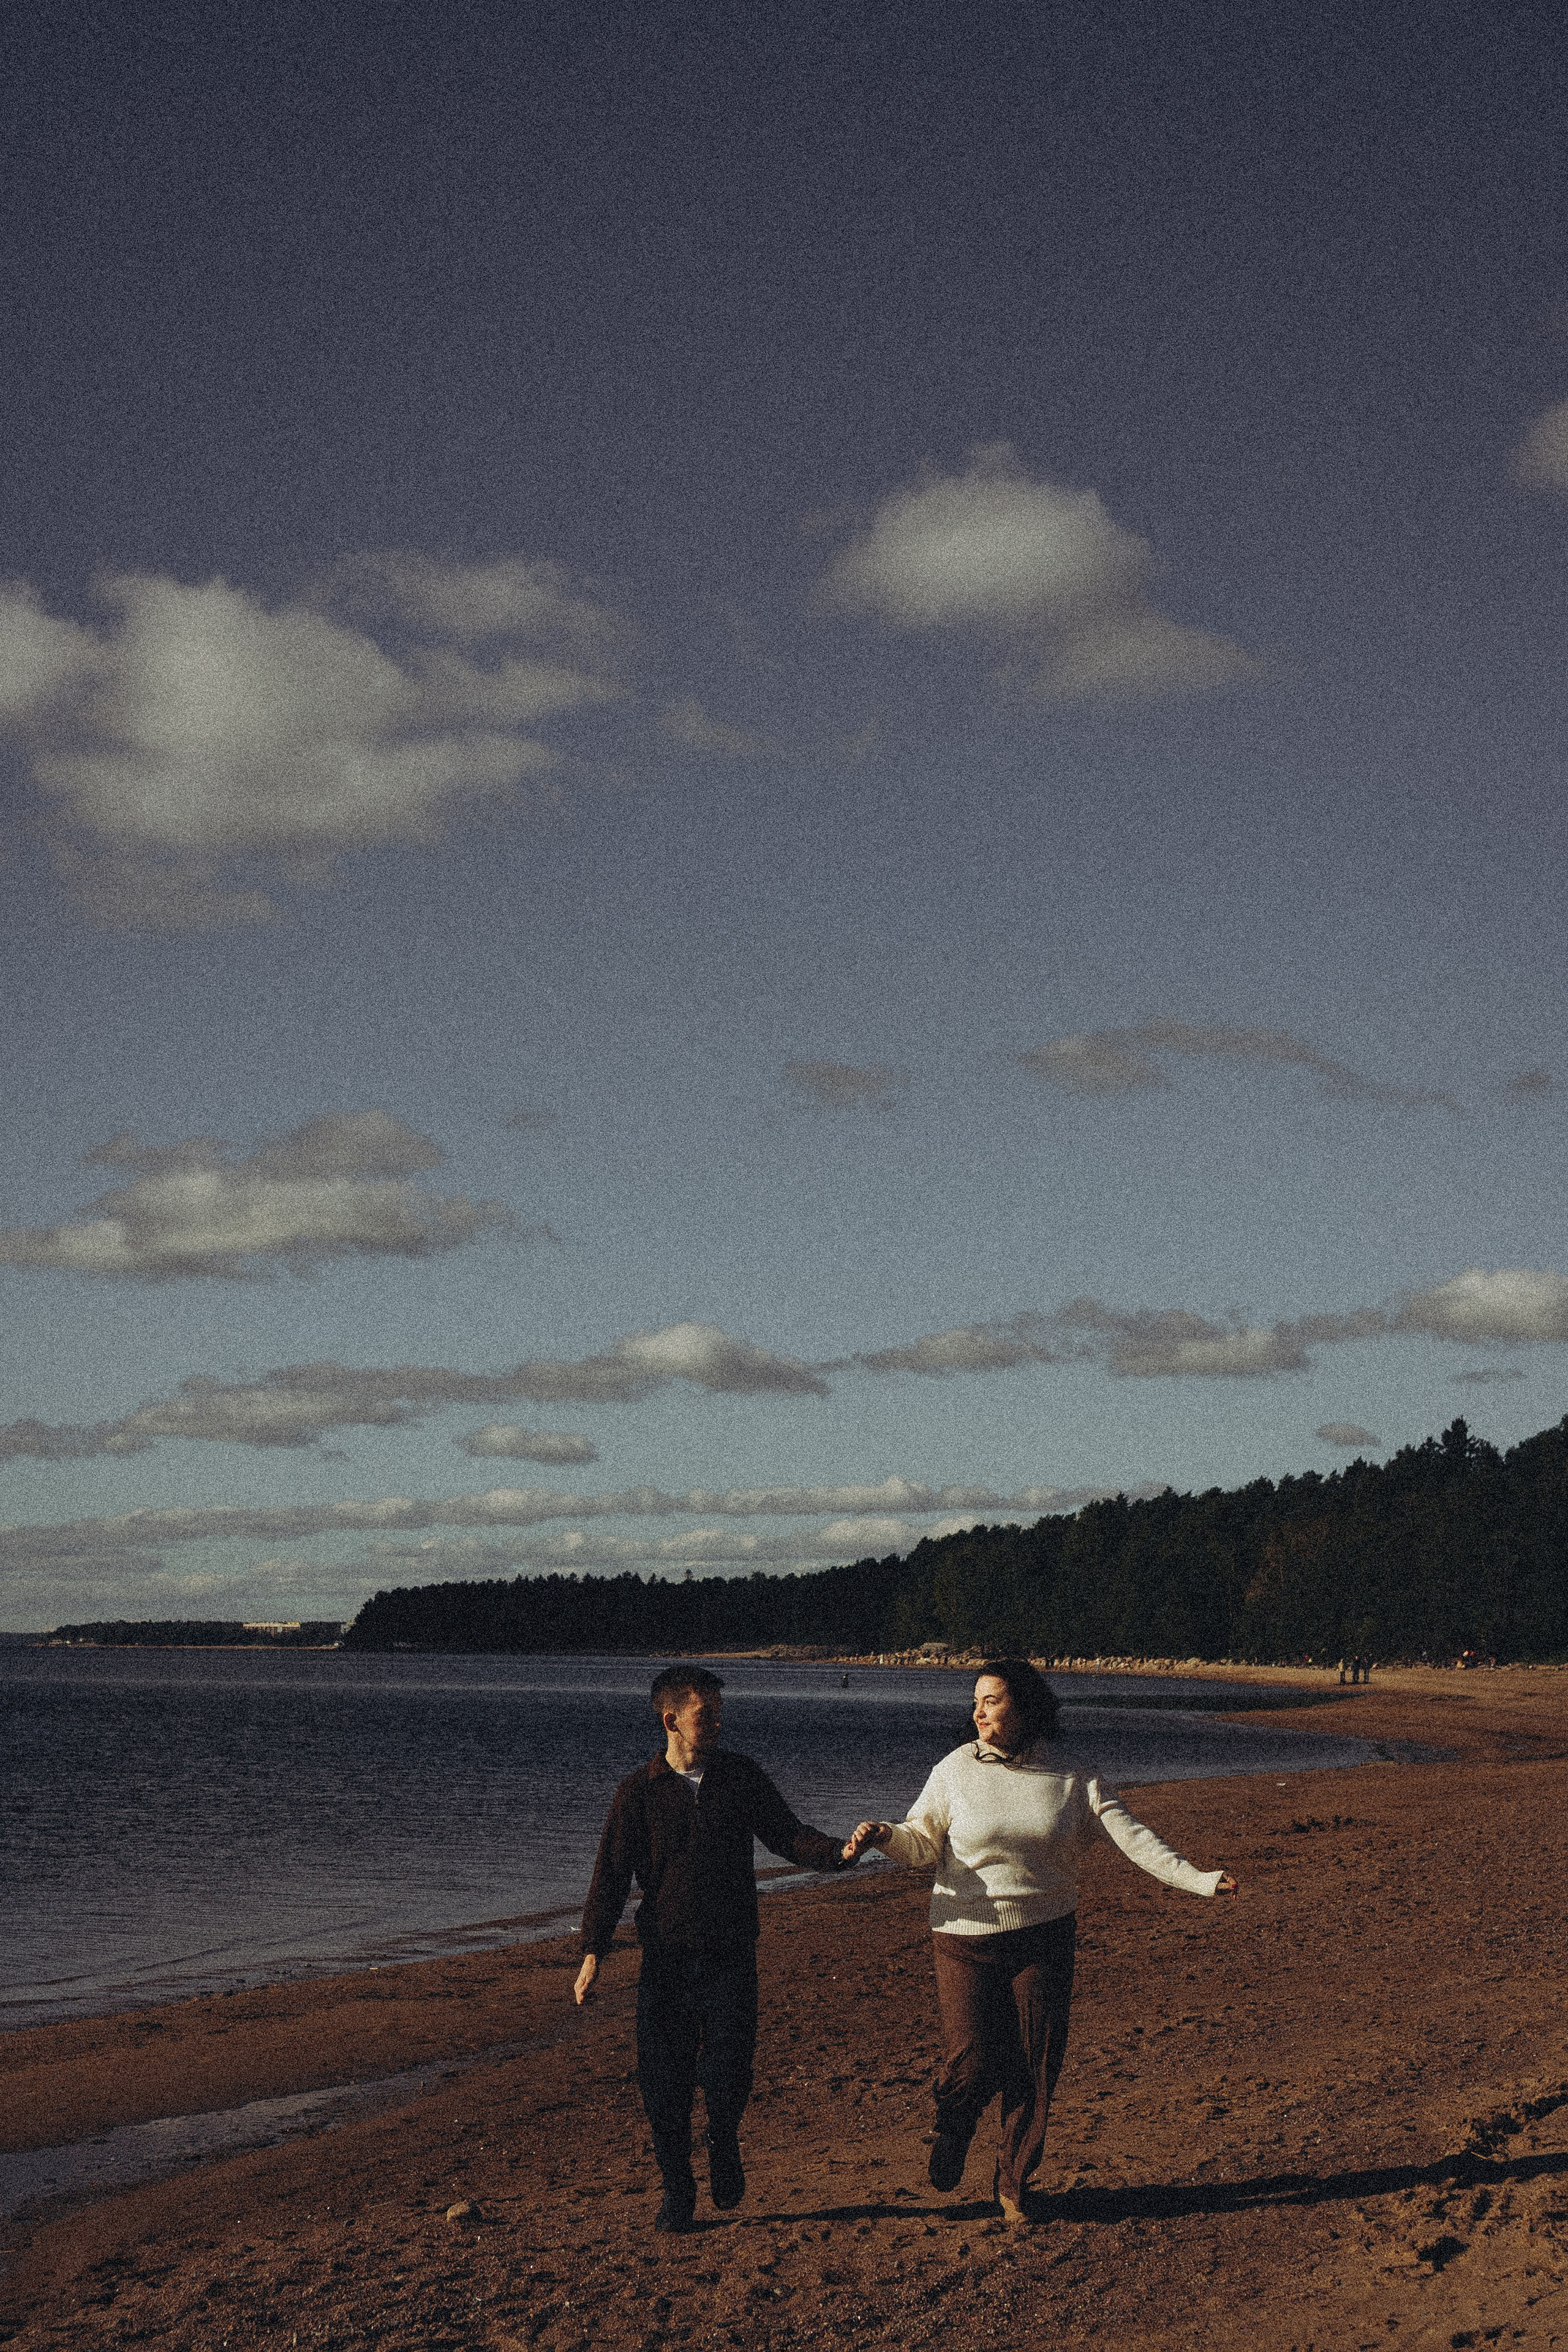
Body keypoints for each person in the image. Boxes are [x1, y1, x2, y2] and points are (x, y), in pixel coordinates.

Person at [843, 1657, 1237, 2225]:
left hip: (1044, 1936)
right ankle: (954, 2124)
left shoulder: (1072, 1775)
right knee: (972, 2063)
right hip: (963, 1935)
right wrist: (884, 1835)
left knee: (1035, 2065)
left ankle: (1012, 2183)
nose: (977, 1712)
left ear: (1024, 1706)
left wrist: (1198, 1879)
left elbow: (1135, 1838)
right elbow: (922, 1846)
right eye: (975, 1701)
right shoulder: (953, 1770)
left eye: (991, 1701)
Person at [576, 1665, 858, 2232]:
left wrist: (841, 1853)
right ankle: (678, 2192)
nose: (718, 1723)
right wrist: (592, 1953)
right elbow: (611, 1875)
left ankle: (723, 2137)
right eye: (706, 1714)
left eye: (719, 1712)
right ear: (670, 1720)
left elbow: (787, 1834)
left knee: (729, 2072)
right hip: (666, 1960)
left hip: (732, 1953)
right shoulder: (639, 1791)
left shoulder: (740, 1778)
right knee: (663, 2082)